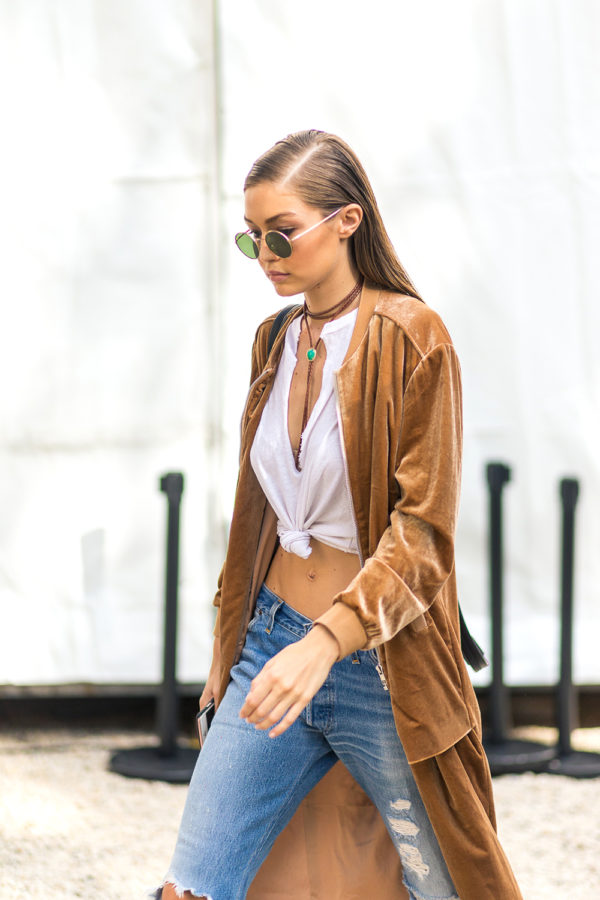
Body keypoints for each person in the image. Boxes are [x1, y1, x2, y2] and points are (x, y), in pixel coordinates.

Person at [153, 130, 522, 900]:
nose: (266, 254)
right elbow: (254, 516)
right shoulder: (274, 340)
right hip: (270, 648)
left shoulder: (412, 336)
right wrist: (228, 649)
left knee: (445, 884)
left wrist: (326, 643)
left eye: (281, 233)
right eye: (251, 237)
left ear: (348, 220)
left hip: (380, 666)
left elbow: (423, 536)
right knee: (192, 885)